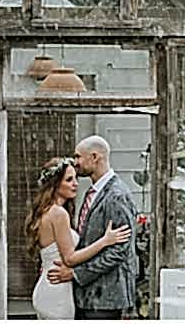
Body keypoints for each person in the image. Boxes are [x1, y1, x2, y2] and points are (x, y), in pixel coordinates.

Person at [25, 157, 132, 320]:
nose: (75, 183)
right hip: (57, 292)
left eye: (75, 178)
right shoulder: (58, 214)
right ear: (55, 184)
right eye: (69, 179)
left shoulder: (48, 211)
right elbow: (69, 259)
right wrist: (105, 241)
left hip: (49, 287)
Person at [48, 136, 138, 320]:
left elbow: (118, 251)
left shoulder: (117, 195)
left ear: (94, 157)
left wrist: (76, 274)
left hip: (105, 298)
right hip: (87, 297)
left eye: (78, 156)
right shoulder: (92, 192)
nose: (75, 162)